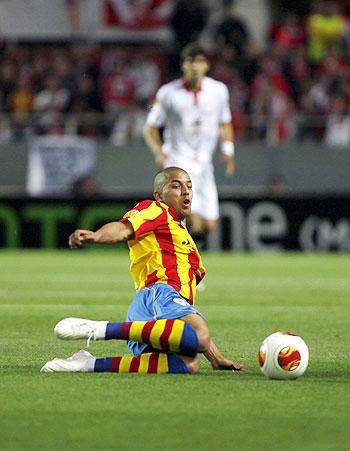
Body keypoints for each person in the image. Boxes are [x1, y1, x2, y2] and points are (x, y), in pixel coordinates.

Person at [41, 167, 243, 374]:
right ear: (159, 195)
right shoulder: (157, 211)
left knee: (187, 364)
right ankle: (99, 329)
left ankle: (86, 363)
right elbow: (124, 229)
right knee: (199, 336)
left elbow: (184, 315)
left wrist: (216, 358)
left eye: (189, 186)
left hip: (152, 316)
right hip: (159, 296)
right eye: (176, 186)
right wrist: (97, 236)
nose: (186, 191)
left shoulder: (179, 232)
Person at [144, 43, 235, 249]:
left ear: (207, 65)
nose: (195, 66)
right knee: (189, 218)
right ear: (183, 65)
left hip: (204, 164)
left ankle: (185, 256)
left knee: (209, 224)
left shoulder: (219, 91)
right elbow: (149, 128)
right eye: (190, 61)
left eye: (200, 61)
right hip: (178, 161)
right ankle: (184, 268)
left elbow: (225, 122)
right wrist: (159, 153)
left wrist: (228, 151)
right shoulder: (168, 93)